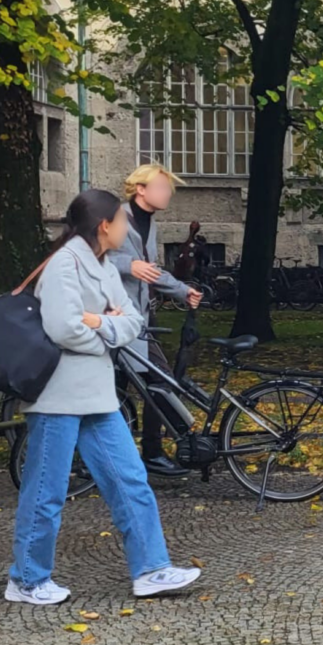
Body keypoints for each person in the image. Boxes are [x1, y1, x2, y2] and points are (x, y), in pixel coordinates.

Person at [7, 189, 202, 605]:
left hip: (96, 394)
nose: (127, 226)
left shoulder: (99, 264)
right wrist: (106, 336)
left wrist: (101, 326)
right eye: (121, 220)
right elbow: (63, 328)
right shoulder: (64, 264)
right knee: (46, 491)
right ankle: (26, 579)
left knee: (130, 482)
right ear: (104, 226)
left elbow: (131, 319)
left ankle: (151, 569)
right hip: (58, 396)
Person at [110, 165, 202, 477]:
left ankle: (126, 455)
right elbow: (91, 255)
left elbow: (151, 269)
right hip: (112, 319)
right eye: (162, 187)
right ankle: (148, 452)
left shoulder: (150, 224)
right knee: (157, 382)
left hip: (138, 319)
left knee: (128, 388)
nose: (168, 194)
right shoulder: (115, 216)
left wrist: (182, 290)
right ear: (141, 189)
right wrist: (128, 265)